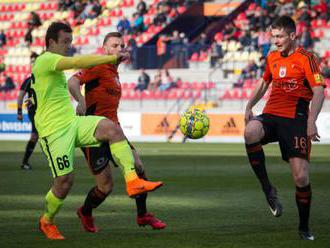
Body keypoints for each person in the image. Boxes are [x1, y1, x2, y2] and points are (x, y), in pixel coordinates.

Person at [32, 22, 163, 240]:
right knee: (66, 182)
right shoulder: (46, 59)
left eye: (71, 42)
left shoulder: (111, 74)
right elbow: (76, 65)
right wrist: (82, 98)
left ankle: (134, 186)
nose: (69, 46)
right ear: (51, 42)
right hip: (54, 132)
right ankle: (47, 220)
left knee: (113, 131)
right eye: (65, 42)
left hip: (74, 123)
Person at [68, 32, 166, 232]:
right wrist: (80, 99)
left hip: (114, 130)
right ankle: (85, 211)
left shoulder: (114, 73)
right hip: (93, 131)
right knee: (105, 187)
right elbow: (72, 82)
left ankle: (142, 215)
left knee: (139, 167)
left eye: (121, 45)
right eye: (114, 45)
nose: (119, 48)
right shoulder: (97, 65)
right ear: (105, 49)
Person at [244, 16, 325, 241]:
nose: (276, 40)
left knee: (301, 178)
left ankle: (304, 227)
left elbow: (319, 91)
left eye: (280, 36)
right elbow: (263, 82)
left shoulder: (307, 58)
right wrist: (249, 105)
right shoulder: (272, 57)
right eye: (273, 36)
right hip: (271, 115)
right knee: (250, 131)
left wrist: (311, 121)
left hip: (296, 120)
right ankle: (268, 189)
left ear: (292, 35)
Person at [17, 52, 39, 170]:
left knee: (37, 136)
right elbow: (20, 96)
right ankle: (24, 162)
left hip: (43, 111)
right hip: (34, 111)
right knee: (35, 135)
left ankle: (25, 162)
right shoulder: (29, 80)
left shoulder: (43, 80)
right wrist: (19, 112)